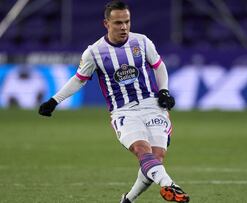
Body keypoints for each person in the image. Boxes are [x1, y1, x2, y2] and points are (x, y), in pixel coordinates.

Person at [38, 1, 190, 202]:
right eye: (118, 22)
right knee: (141, 150)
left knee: (156, 158)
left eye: (127, 21)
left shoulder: (142, 42)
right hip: (124, 112)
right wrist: (54, 101)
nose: (124, 27)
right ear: (106, 24)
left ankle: (128, 200)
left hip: (153, 106)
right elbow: (79, 80)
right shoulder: (94, 52)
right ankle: (170, 186)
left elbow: (158, 66)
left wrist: (163, 91)